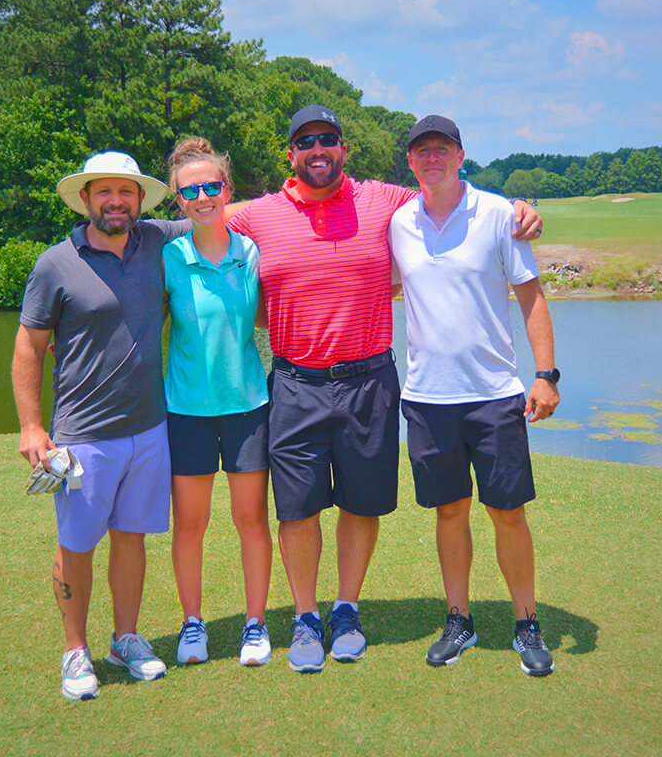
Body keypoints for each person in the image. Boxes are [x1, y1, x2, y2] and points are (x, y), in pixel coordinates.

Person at [229, 105, 543, 673]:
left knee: (361, 501)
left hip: (369, 381)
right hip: (296, 382)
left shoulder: (385, 201)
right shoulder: (259, 214)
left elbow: (448, 191)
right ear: (292, 154)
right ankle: (305, 617)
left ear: (344, 149)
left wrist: (524, 207)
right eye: (306, 142)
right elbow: (201, 217)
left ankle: (346, 609)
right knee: (296, 511)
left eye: (328, 139)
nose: (317, 150)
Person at [12, 150, 191, 700]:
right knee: (77, 543)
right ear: (86, 199)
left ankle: (126, 638)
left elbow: (221, 209)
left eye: (127, 192)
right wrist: (31, 427)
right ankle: (74, 650)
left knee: (131, 538)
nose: (117, 201)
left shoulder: (157, 241)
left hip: (148, 429)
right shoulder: (55, 263)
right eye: (105, 193)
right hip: (83, 437)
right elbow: (29, 346)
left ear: (140, 200)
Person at [388, 115, 559, 676]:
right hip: (428, 398)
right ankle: (458, 619)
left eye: (442, 149)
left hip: (493, 395)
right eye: (421, 151)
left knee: (506, 511)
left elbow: (530, 297)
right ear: (410, 162)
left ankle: (526, 622)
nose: (431, 158)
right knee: (450, 511)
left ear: (461, 155)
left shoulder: (497, 216)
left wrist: (547, 374)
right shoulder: (398, 223)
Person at [161, 137, 273, 667]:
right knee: (190, 525)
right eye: (191, 190)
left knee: (251, 520)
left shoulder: (250, 251)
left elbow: (267, 318)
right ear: (177, 198)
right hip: (186, 411)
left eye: (212, 186)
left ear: (227, 189)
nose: (203, 197)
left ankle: (255, 624)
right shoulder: (167, 258)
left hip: (249, 406)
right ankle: (192, 624)